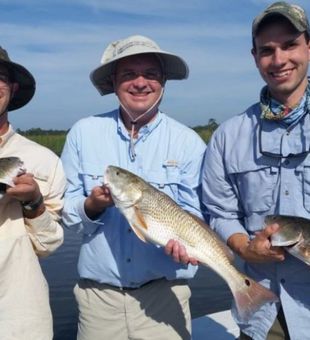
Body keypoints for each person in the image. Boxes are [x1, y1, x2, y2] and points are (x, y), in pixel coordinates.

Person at [60, 34, 206, 340]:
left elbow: (196, 215)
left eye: (150, 74)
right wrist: (92, 206)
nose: (140, 83)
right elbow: (66, 214)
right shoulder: (82, 133)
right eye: (129, 74)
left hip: (166, 297)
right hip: (98, 301)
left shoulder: (189, 142)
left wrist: (187, 246)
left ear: (164, 81)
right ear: (113, 82)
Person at [201, 2, 310, 339]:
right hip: (263, 312)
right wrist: (244, 247)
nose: (279, 60)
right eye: (267, 50)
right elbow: (218, 210)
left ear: (309, 46)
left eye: (290, 44)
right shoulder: (227, 136)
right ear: (254, 57)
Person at [0, 47, 66, 339]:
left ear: (12, 88)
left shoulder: (42, 159)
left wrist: (33, 203)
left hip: (19, 318)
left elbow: (48, 244)